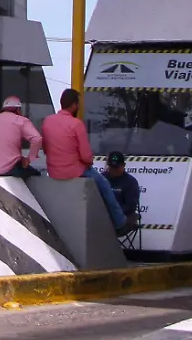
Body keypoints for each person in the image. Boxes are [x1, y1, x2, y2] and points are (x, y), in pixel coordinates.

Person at [41, 89, 129, 233]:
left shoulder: (47, 122)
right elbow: (86, 157)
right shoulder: (76, 124)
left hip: (54, 172)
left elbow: (46, 149)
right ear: (75, 105)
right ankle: (120, 222)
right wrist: (88, 162)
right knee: (104, 185)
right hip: (75, 172)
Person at [103, 152, 141, 223]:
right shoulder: (101, 179)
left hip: (122, 216)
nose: (114, 170)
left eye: (117, 167)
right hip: (103, 215)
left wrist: (114, 212)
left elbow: (130, 206)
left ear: (124, 165)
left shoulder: (130, 182)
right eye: (111, 167)